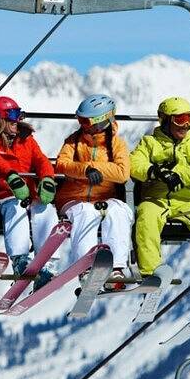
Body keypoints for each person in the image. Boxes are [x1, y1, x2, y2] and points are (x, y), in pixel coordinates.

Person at [130, 96, 190, 309]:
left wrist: (177, 175)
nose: (186, 125)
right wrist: (155, 172)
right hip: (155, 199)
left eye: (189, 118)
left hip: (187, 202)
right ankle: (151, 277)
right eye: (180, 119)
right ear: (165, 120)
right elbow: (135, 163)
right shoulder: (150, 143)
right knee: (146, 220)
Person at [0, 95, 59, 289]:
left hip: (30, 196)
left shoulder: (26, 140)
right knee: (16, 207)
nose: (18, 120)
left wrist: (47, 178)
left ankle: (48, 263)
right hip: (3, 199)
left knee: (45, 209)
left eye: (18, 114)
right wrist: (11, 177)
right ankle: (20, 260)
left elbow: (41, 160)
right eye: (13, 115)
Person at [55, 94, 133, 290]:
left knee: (120, 210)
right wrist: (85, 170)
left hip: (104, 199)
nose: (82, 125)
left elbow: (122, 173)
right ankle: (86, 267)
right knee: (86, 212)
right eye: (79, 120)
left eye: (85, 121)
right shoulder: (74, 141)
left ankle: (116, 268)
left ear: (101, 120)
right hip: (73, 199)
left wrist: (97, 168)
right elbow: (62, 165)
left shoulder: (117, 144)